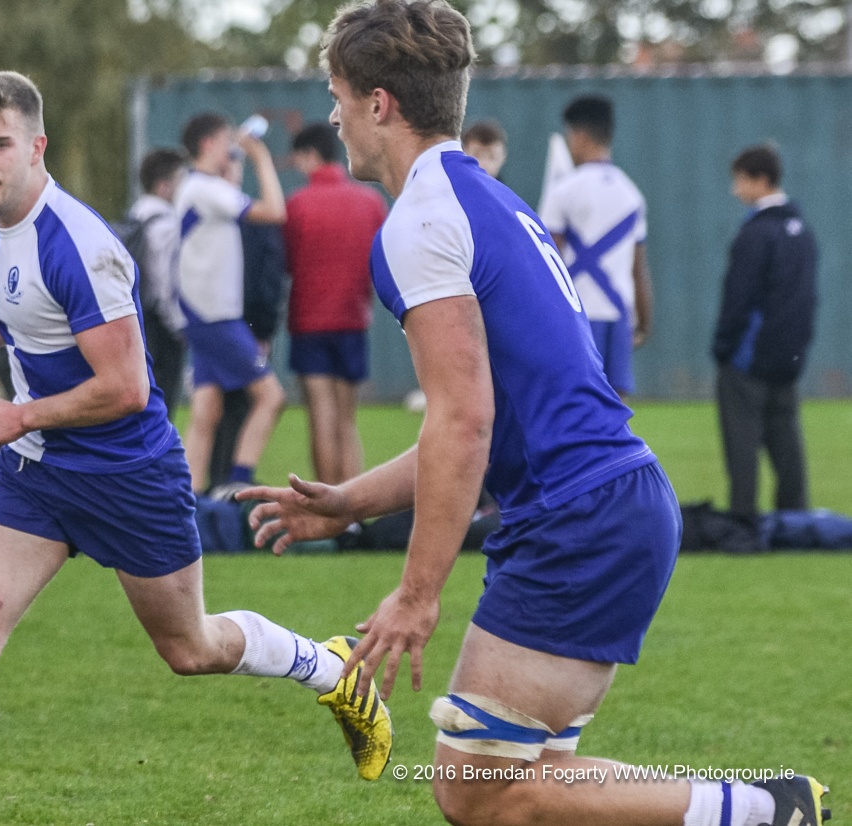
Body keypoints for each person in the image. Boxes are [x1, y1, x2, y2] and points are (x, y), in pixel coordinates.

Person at [240, 3, 829, 825]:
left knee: (479, 789)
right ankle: (764, 808)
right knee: (530, 780)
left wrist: (417, 594)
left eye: (337, 96)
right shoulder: (486, 198)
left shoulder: (420, 222)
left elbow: (464, 423)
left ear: (379, 103)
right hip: (605, 506)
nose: (332, 117)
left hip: (579, 518)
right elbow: (486, 423)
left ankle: (766, 811)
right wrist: (348, 502)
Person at [0, 71, 390, 826]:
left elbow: (126, 388)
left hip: (127, 473)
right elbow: (4, 310)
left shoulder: (81, 245)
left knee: (190, 649)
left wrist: (21, 415)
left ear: (36, 146)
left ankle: (328, 667)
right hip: (39, 475)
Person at [175, 111, 287, 495]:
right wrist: (261, 157)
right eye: (227, 142)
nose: (233, 149)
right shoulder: (206, 188)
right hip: (216, 318)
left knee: (206, 411)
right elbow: (275, 211)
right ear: (209, 144)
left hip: (202, 315)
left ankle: (188, 500)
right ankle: (238, 482)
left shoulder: (196, 188)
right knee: (271, 397)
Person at [713, 144, 816, 523]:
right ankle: (797, 522)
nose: (735, 190)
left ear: (760, 180)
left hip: (748, 358)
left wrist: (723, 347)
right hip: (789, 357)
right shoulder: (802, 232)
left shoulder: (756, 234)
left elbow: (738, 299)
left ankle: (744, 523)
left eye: (740, 180)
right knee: (787, 443)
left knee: (742, 443)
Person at [284, 121, 387, 485]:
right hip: (353, 320)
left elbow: (287, 262)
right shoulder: (371, 201)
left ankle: (326, 507)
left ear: (310, 155)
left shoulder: (297, 204)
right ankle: (351, 508)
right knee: (347, 420)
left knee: (321, 419)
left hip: (309, 323)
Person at [539, 95, 653, 396]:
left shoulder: (563, 191)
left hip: (576, 317)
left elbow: (548, 262)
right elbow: (638, 269)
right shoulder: (632, 194)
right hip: (619, 316)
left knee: (574, 406)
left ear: (579, 136)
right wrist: (644, 322)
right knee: (616, 409)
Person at [126, 147, 188, 416]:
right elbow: (165, 282)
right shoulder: (167, 224)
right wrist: (179, 325)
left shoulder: (134, 215)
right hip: (161, 327)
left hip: (135, 320)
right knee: (163, 406)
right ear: (164, 186)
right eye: (180, 180)